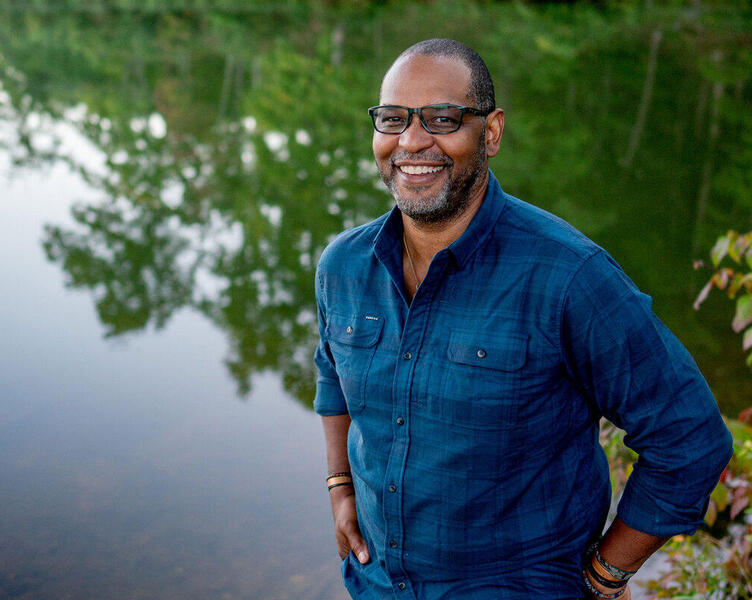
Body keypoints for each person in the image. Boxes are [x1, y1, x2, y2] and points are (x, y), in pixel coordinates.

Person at [313, 38, 733, 600]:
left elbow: (691, 440)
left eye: (442, 118)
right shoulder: (342, 266)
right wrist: (341, 488)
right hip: (376, 586)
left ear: (490, 133)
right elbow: (333, 375)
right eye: (392, 119)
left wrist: (608, 574)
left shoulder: (569, 277)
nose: (411, 141)